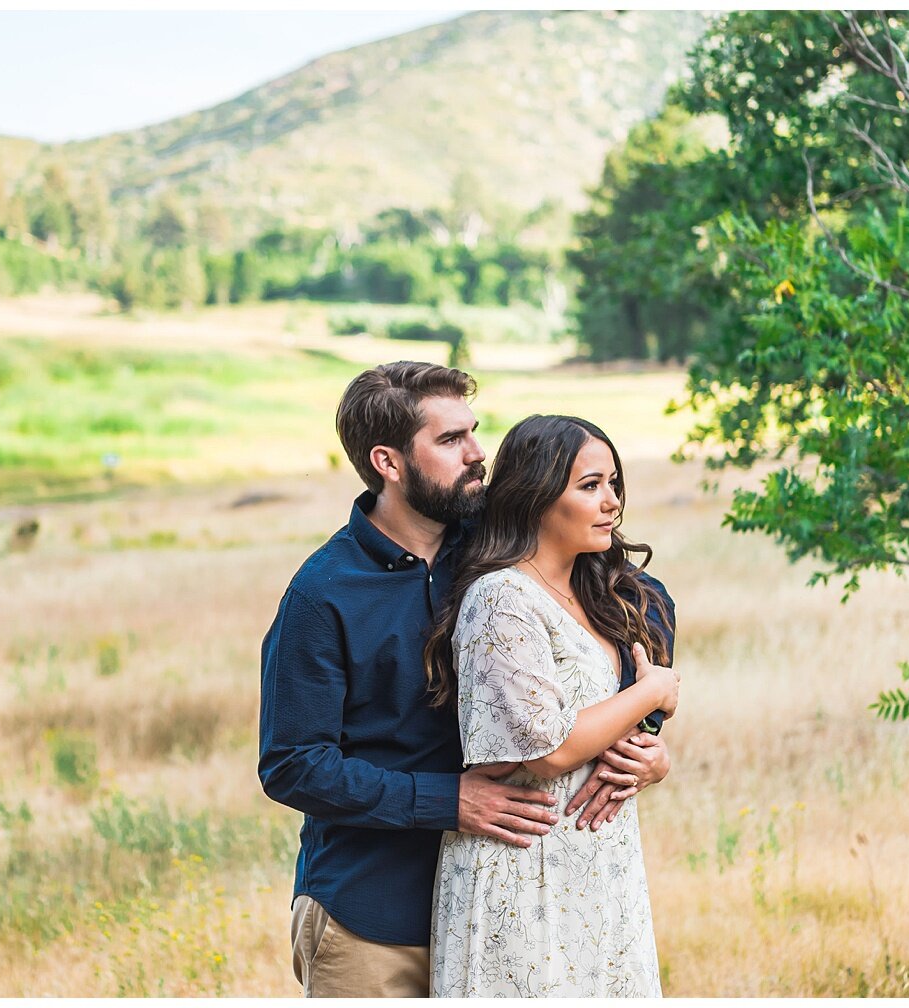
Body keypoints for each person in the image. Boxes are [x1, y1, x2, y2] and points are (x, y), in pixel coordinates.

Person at [259, 363, 671, 998]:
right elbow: (292, 764)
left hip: (511, 900)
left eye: (473, 432)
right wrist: (447, 800)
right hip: (374, 918)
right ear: (388, 463)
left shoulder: (495, 543)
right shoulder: (324, 594)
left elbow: (642, 597)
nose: (479, 454)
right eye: (451, 441)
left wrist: (640, 734)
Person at [426, 414, 680, 997]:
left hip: (598, 867)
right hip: (523, 871)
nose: (611, 502)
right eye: (589, 486)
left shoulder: (598, 595)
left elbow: (611, 729)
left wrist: (653, 759)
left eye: (614, 483)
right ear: (536, 498)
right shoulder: (500, 598)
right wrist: (654, 690)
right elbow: (548, 745)